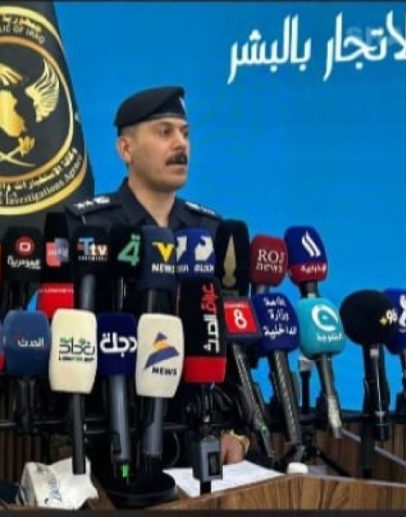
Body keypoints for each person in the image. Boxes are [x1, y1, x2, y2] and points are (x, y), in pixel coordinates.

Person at [64, 85, 249, 471]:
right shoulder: (87, 227)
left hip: (198, 435)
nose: (180, 144)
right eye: (165, 132)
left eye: (185, 133)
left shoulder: (209, 231)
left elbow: (228, 343)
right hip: (109, 438)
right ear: (125, 149)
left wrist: (235, 430)